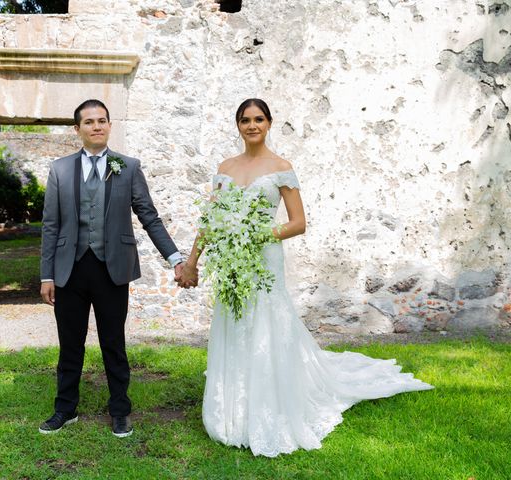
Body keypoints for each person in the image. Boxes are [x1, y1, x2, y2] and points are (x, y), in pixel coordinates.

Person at [177, 98, 433, 457]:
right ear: (237, 125)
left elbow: (298, 222)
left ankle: (270, 402)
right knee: (234, 319)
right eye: (245, 120)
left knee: (266, 322)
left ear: (269, 123)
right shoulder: (225, 168)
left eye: (259, 119)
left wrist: (259, 233)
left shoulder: (281, 167)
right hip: (232, 259)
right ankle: (232, 406)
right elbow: (210, 219)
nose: (252, 126)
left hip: (264, 257)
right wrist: (192, 261)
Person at [39, 99, 185, 436]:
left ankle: (119, 409)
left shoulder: (128, 167)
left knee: (113, 343)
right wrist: (47, 274)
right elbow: (50, 225)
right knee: (70, 343)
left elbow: (148, 215)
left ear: (109, 125)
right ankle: (65, 409)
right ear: (78, 129)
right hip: (69, 270)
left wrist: (175, 257)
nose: (96, 126)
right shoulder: (60, 169)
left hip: (112, 269)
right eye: (88, 122)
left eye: (102, 120)